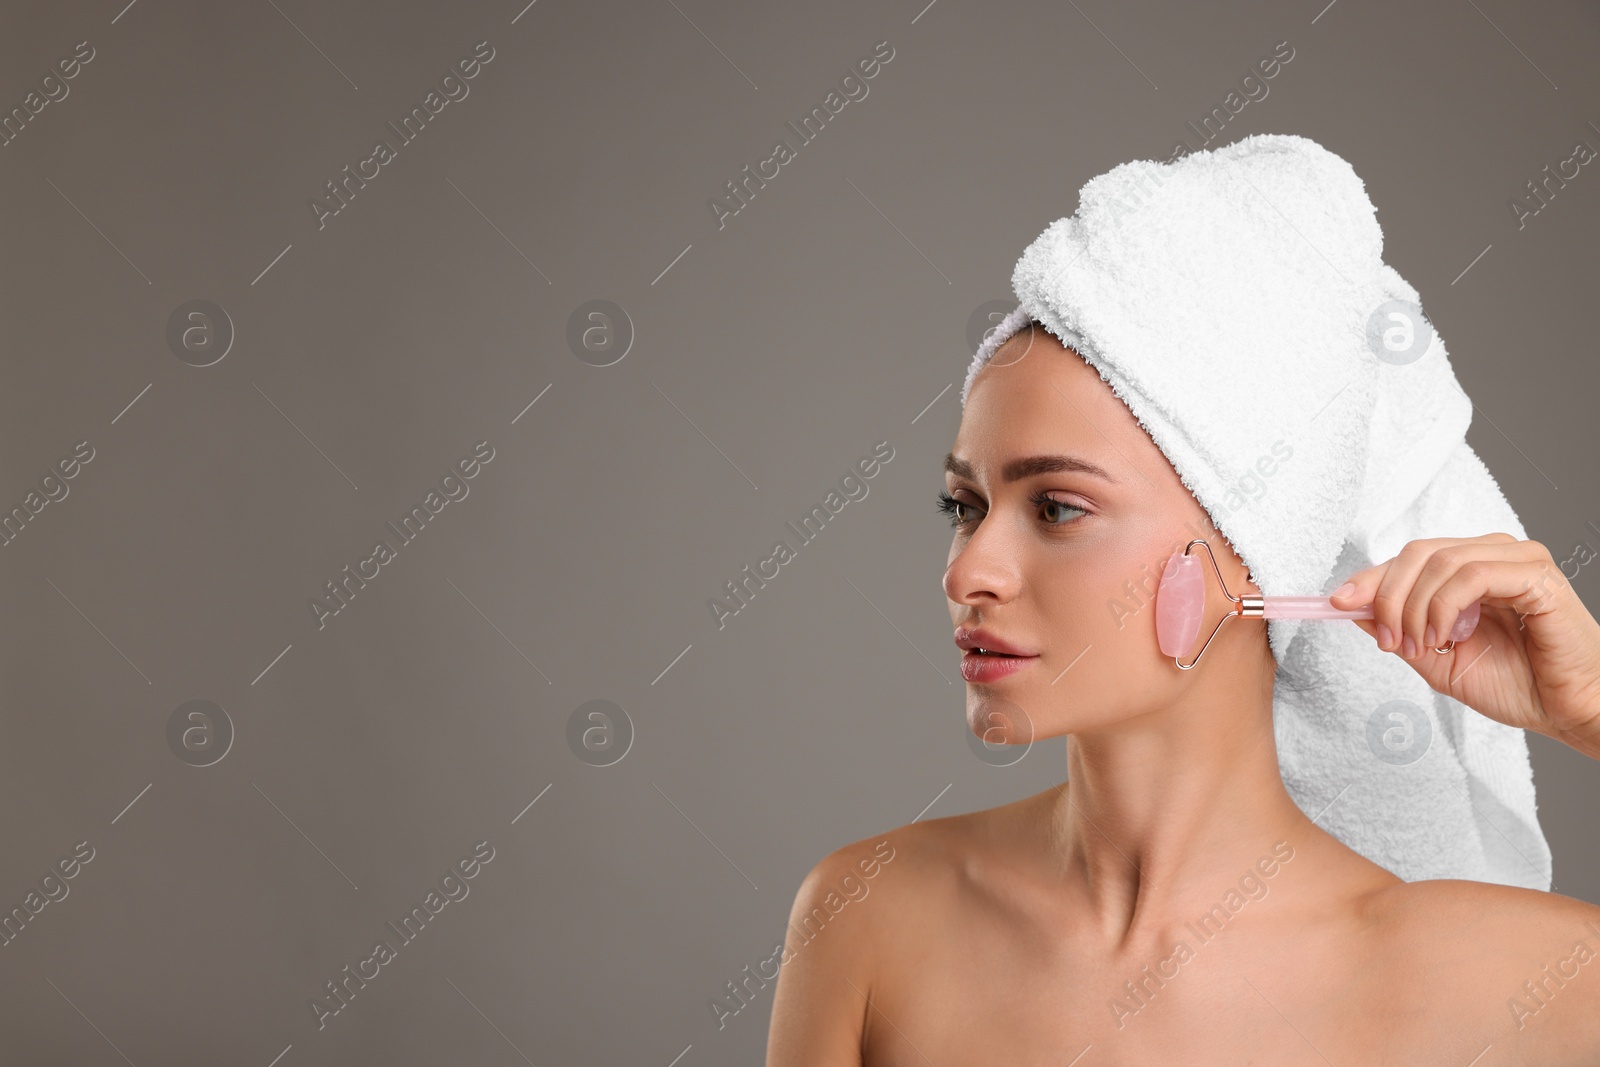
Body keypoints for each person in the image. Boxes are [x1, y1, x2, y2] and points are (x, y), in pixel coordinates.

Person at [765, 321, 1600, 1064]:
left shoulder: (1531, 981)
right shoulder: (867, 915)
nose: (967, 570)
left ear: (1257, 553)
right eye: (966, 506)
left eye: (1056, 507)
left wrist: (1596, 708)